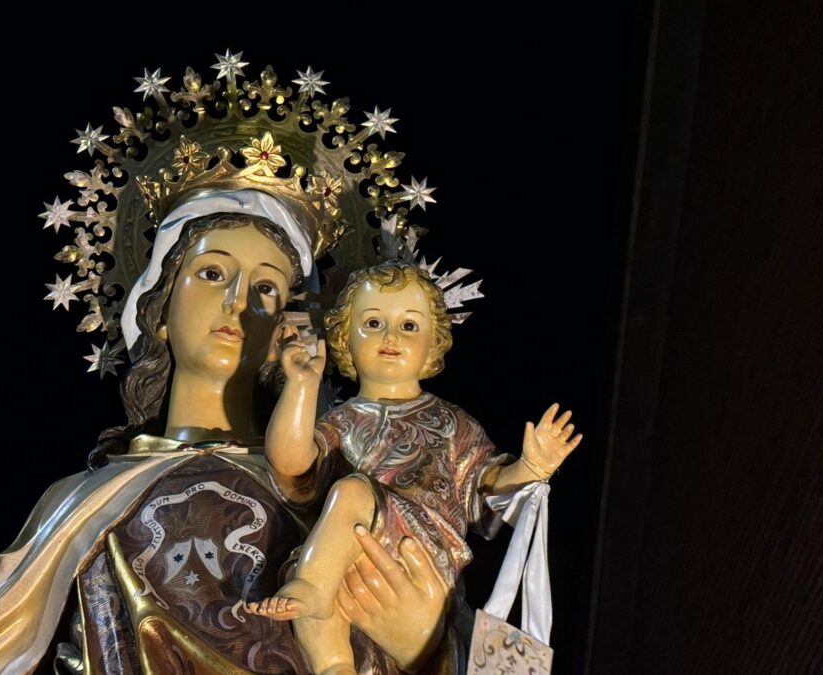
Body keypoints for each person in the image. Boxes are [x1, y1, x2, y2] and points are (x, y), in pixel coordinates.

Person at [0, 205, 459, 674]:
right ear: (160, 311)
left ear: (285, 332)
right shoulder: (77, 503)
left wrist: (427, 644)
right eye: (212, 273)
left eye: (266, 288)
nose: (236, 302)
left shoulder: (333, 494)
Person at [249, 262, 582, 674]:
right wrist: (301, 387)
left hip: (420, 558)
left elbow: (487, 483)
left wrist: (530, 466)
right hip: (341, 562)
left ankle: (315, 588)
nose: (390, 337)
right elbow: (290, 463)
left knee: (350, 495)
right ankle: (334, 665)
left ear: (433, 342)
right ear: (344, 339)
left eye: (408, 326)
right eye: (373, 322)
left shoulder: (450, 423)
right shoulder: (341, 422)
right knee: (310, 579)